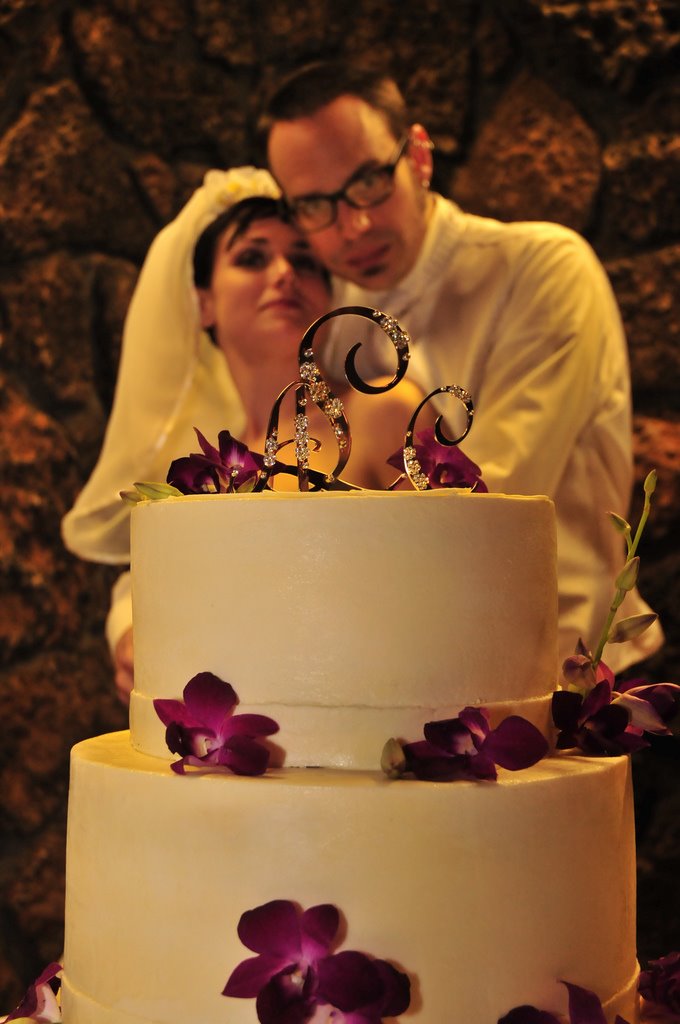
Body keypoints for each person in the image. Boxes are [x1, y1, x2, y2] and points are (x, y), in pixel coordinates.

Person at [259, 60, 663, 672]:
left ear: (418, 156)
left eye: (369, 181)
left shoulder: (544, 271)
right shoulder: (322, 313)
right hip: (390, 670)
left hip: (565, 675)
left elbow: (486, 506)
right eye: (315, 205)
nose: (354, 226)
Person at [62, 167, 423, 703]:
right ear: (203, 302)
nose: (284, 273)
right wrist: (131, 636)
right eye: (253, 258)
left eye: (305, 261)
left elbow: (449, 590)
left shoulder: (381, 415)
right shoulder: (206, 472)